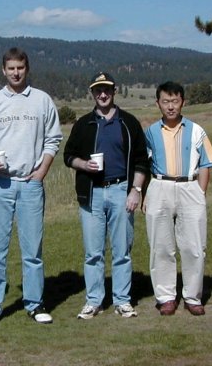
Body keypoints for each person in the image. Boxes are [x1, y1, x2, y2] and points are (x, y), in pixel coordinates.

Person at [0, 47, 62, 327]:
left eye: (20, 68)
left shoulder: (42, 100)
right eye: (11, 68)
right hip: (1, 184)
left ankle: (35, 303)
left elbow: (53, 139)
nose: (16, 73)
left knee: (32, 250)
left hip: (31, 184)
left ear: (27, 68)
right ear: (4, 70)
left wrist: (42, 171)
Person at [63, 72, 149, 319]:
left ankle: (122, 300)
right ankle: (94, 301)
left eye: (107, 90)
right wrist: (83, 164)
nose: (103, 94)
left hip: (122, 190)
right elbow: (68, 156)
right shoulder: (84, 124)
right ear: (92, 93)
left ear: (114, 91)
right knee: (93, 252)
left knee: (122, 250)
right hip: (92, 194)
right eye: (98, 90)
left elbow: (142, 160)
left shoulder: (129, 123)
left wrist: (136, 190)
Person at [144, 81, 212, 316]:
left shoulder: (197, 130)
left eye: (175, 101)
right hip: (160, 185)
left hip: (189, 186)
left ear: (182, 102)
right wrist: (144, 194)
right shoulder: (150, 133)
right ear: (158, 103)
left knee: (194, 246)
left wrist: (200, 193)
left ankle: (192, 297)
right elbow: (143, 165)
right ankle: (166, 297)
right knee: (161, 246)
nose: (170, 106)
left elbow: (205, 164)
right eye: (165, 101)